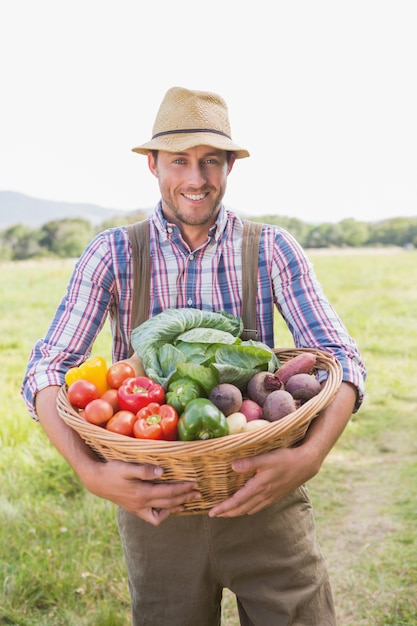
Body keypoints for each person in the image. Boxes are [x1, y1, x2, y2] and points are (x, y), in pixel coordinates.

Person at [22, 86, 366, 626]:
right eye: (179, 160)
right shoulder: (112, 254)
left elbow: (343, 361)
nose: (196, 178)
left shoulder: (271, 248)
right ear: (153, 165)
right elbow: (45, 369)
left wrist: (309, 457)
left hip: (265, 493)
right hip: (155, 505)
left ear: (230, 165)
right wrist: (89, 472)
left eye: (210, 161)